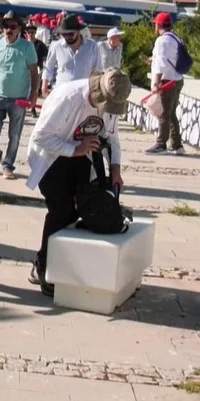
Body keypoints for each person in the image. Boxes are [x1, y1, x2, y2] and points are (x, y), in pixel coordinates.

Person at [25, 68, 131, 297]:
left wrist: (115, 169)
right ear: (98, 92)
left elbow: (112, 137)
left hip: (81, 157)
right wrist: (75, 149)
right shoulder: (68, 97)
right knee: (61, 210)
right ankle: (44, 270)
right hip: (51, 157)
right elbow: (40, 137)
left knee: (80, 209)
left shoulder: (111, 99)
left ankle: (60, 264)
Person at [0, 11, 40, 180]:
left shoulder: (27, 47)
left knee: (14, 134)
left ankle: (8, 165)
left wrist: (33, 95)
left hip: (19, 98)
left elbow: (34, 73)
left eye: (12, 27)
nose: (8, 30)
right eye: (5, 27)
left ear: (19, 29)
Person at [145, 12, 186, 155]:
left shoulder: (161, 41)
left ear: (158, 25)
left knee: (163, 113)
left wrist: (156, 84)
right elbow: (169, 58)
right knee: (171, 113)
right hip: (178, 79)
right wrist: (153, 58)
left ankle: (161, 144)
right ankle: (176, 144)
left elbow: (161, 65)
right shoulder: (175, 38)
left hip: (166, 81)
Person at [42, 14, 102, 96]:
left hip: (84, 94)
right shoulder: (57, 46)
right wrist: (44, 86)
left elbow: (97, 71)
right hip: (61, 93)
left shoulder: (92, 46)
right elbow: (48, 68)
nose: (67, 37)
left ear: (78, 31)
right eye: (64, 34)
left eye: (70, 34)